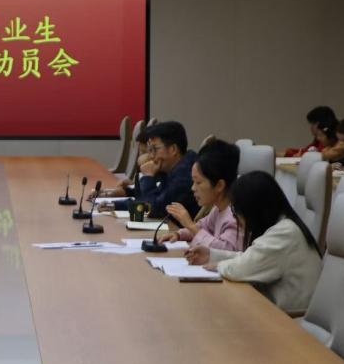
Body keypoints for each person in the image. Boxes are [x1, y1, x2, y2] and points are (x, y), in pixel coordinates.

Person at [187, 171, 322, 313]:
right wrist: (211, 255)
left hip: (289, 319)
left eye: (236, 212)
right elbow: (251, 258)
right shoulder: (283, 225)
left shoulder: (284, 234)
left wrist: (218, 265)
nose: (237, 219)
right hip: (274, 310)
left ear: (253, 209)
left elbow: (241, 268)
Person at [163, 140, 241, 253]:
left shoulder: (235, 215)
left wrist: (190, 225)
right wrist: (179, 234)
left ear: (219, 185)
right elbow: (203, 227)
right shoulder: (218, 208)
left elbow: (227, 251)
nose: (193, 188)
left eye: (198, 182)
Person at [110, 121, 198, 219]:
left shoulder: (185, 175)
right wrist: (113, 204)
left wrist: (148, 177)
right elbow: (146, 199)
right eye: (150, 150)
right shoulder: (171, 168)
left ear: (172, 149)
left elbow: (152, 208)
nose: (151, 156)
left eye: (154, 149)